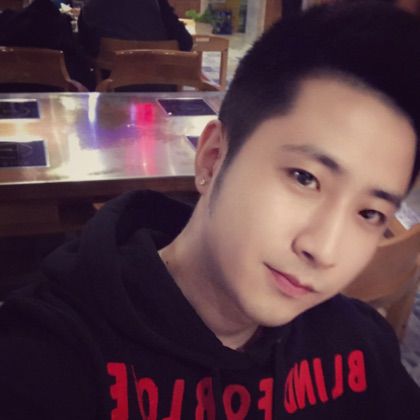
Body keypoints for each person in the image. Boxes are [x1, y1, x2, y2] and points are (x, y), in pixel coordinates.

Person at [1, 2, 420, 418]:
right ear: (213, 158)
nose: (324, 250)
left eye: (369, 214)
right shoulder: (45, 360)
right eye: (304, 178)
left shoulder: (359, 347)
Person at [77, 0, 193, 57]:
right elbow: (185, 43)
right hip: (159, 88)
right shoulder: (157, 3)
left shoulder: (91, 5)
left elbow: (86, 46)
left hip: (109, 88)